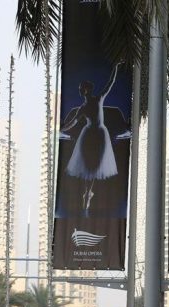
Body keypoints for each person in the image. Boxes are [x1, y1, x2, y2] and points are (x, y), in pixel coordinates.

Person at [62, 62, 123, 215]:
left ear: (86, 89)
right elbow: (73, 122)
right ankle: (87, 192)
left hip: (100, 134)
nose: (79, 90)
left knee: (95, 165)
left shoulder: (98, 99)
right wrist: (61, 128)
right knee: (87, 164)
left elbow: (110, 83)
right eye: (79, 89)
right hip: (88, 134)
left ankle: (88, 192)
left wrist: (115, 67)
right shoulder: (82, 108)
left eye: (81, 88)